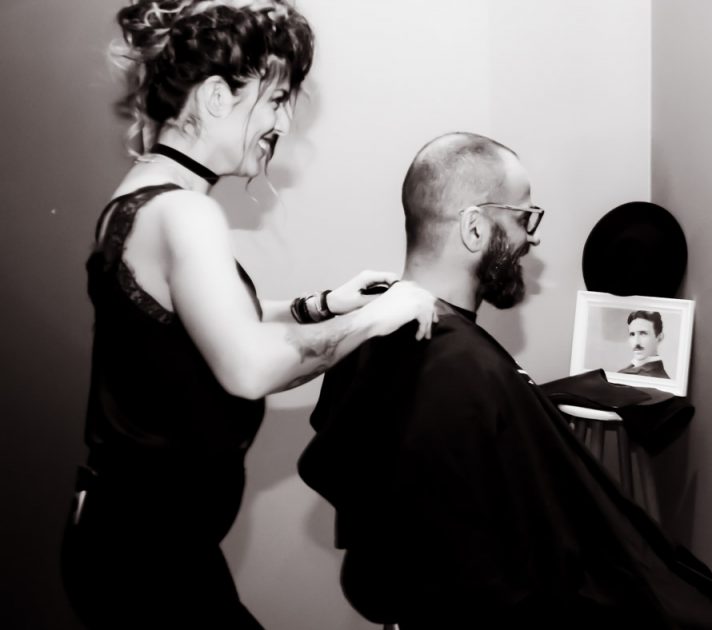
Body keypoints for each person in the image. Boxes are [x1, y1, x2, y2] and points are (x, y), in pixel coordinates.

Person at [300, 132, 712, 629]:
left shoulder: (364, 335)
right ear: (474, 228)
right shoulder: (456, 366)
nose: (532, 238)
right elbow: (472, 574)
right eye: (524, 218)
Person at [61, 2, 437, 628]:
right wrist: (378, 319)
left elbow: (195, 325)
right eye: (277, 99)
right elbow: (248, 367)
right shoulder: (186, 212)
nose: (283, 123)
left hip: (132, 546)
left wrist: (322, 305)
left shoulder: (141, 197)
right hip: (146, 563)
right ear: (216, 97)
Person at [619, 309, 670, 378]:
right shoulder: (629, 369)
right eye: (632, 334)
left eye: (643, 333)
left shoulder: (658, 377)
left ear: (659, 338)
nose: (636, 342)